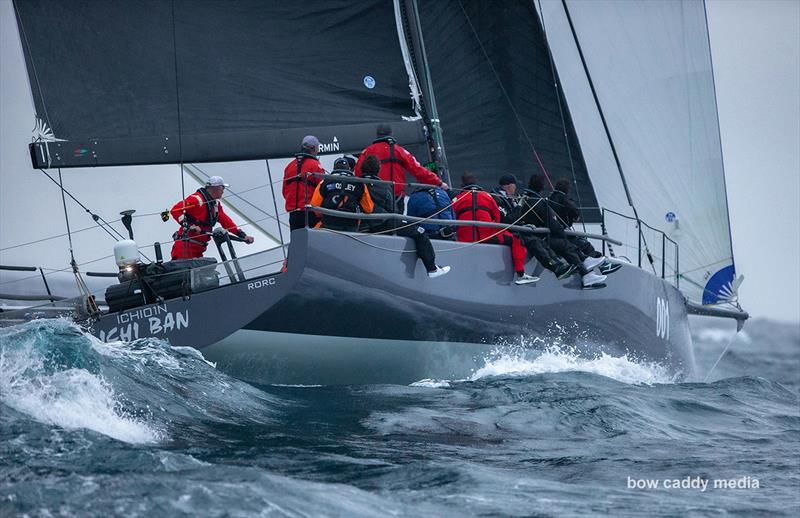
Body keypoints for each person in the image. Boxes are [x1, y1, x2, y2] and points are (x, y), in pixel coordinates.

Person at [359, 155, 450, 278]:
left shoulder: (356, 184)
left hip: (358, 225)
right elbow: (394, 212)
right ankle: (432, 269)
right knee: (419, 232)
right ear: (378, 169)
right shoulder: (385, 186)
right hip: (382, 227)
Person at [519, 175, 607, 289]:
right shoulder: (540, 202)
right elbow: (552, 223)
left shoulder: (523, 200)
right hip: (541, 238)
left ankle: (588, 270)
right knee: (566, 245)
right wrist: (563, 233)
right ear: (541, 188)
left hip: (532, 236)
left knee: (567, 244)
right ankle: (587, 271)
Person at [452, 173, 538, 285]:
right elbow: (497, 218)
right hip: (486, 236)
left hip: (464, 237)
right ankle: (520, 274)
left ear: (462, 185)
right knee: (516, 240)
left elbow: (450, 216)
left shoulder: (457, 198)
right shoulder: (487, 196)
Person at [492, 174, 572, 279]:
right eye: (514, 185)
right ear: (509, 186)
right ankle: (554, 266)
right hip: (503, 232)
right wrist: (519, 206)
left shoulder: (506, 198)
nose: (516, 188)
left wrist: (525, 224)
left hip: (513, 229)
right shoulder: (498, 199)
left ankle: (557, 265)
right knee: (533, 241)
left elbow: (513, 220)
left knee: (538, 240)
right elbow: (508, 221)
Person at [355, 124, 448, 209]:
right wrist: (438, 183)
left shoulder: (367, 151)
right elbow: (418, 170)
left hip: (372, 198)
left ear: (377, 135)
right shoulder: (399, 151)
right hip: (396, 198)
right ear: (391, 134)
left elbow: (357, 172)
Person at [170, 176, 254, 260]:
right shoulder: (196, 199)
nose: (223, 191)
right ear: (216, 188)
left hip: (199, 249)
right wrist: (190, 225)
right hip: (185, 248)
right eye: (223, 188)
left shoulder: (215, 205)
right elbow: (175, 210)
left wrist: (243, 235)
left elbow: (227, 222)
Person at [549, 178, 621, 275]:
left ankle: (595, 266)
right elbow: (575, 212)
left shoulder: (549, 198)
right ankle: (602, 267)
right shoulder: (564, 198)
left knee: (578, 245)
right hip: (561, 233)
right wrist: (575, 217)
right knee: (584, 245)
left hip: (552, 233)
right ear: (566, 190)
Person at [309, 156, 373, 231]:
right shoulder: (360, 183)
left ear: (334, 169)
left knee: (313, 231)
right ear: (349, 169)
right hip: (351, 227)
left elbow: (315, 207)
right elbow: (369, 209)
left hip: (328, 225)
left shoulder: (324, 182)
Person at [283, 135, 326, 231]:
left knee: (297, 241)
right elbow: (323, 188)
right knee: (313, 241)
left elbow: (285, 191)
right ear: (313, 148)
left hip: (294, 214)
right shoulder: (315, 166)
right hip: (310, 212)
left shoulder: (289, 166)